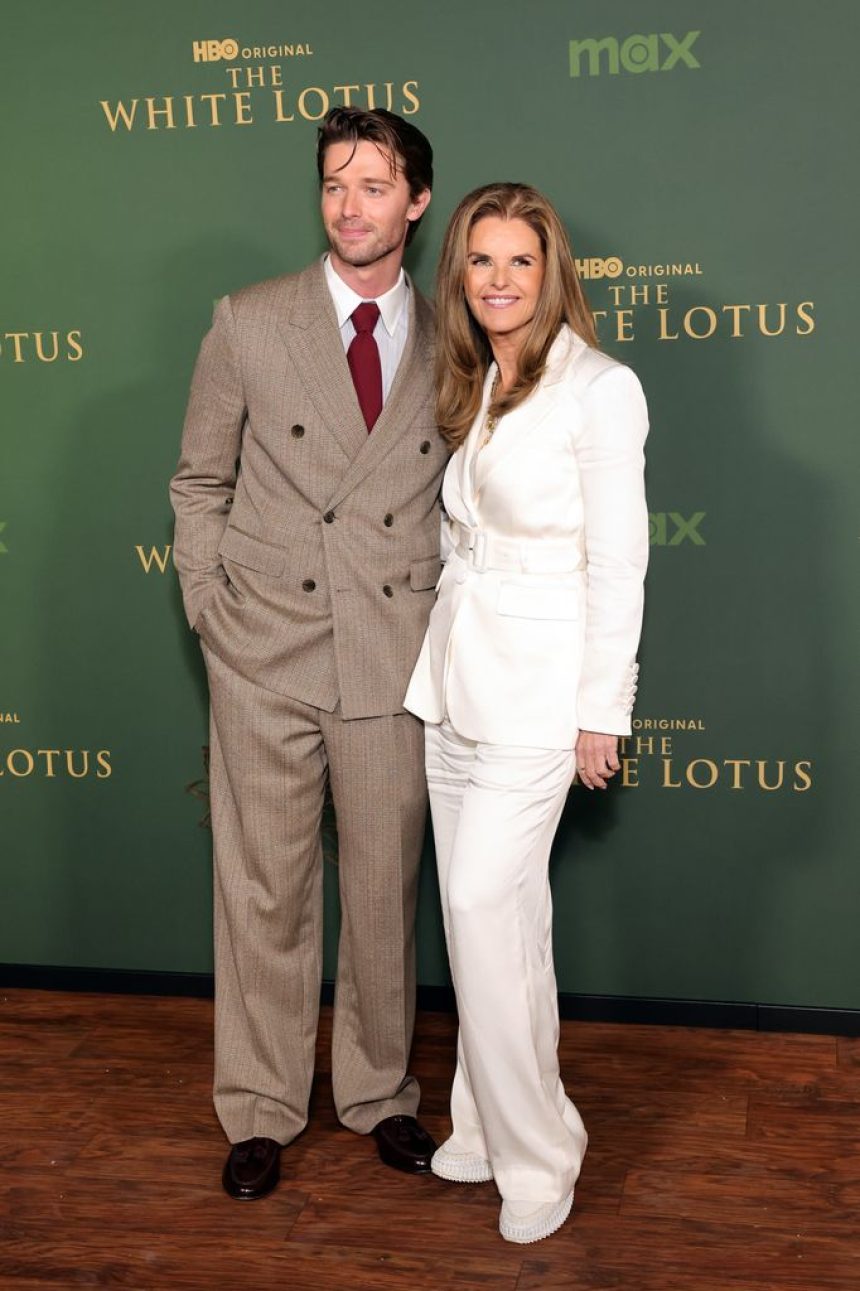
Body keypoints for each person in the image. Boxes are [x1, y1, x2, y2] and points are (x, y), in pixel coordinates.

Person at [170, 107, 448, 1201]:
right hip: (265, 649)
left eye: (373, 186)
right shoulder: (248, 321)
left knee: (381, 893)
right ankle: (258, 1105)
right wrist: (210, 609)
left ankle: (380, 1095)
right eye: (334, 183)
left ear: (414, 203)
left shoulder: (454, 334)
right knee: (262, 891)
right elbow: (199, 480)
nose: (350, 206)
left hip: (391, 652)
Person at [404, 183, 649, 1244]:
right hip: (453, 684)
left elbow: (621, 564)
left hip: (540, 695)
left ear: (552, 275)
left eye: (520, 262)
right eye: (480, 261)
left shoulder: (599, 388)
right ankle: (485, 1122)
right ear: (457, 274)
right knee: (498, 928)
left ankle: (541, 1151)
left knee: (477, 907)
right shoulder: (477, 377)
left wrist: (603, 708)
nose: (499, 281)